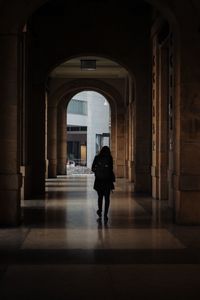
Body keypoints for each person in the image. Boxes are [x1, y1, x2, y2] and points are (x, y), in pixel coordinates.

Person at [92, 146, 115, 222]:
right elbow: (111, 170)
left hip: (99, 181)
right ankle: (105, 215)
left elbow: (92, 168)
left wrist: (97, 172)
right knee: (107, 198)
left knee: (100, 197)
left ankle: (100, 211)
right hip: (107, 181)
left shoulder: (97, 157)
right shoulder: (110, 158)